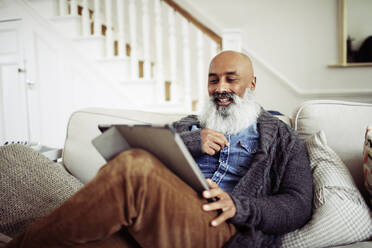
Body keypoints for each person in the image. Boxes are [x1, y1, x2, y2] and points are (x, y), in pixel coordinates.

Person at [6, 51, 313, 248]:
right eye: (213, 80)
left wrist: (239, 206)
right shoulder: (190, 123)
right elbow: (151, 146)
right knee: (81, 240)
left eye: (232, 80)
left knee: (133, 166)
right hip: (154, 220)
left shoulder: (280, 136)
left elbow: (298, 204)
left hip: (221, 229)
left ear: (253, 83)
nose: (221, 88)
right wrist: (194, 141)